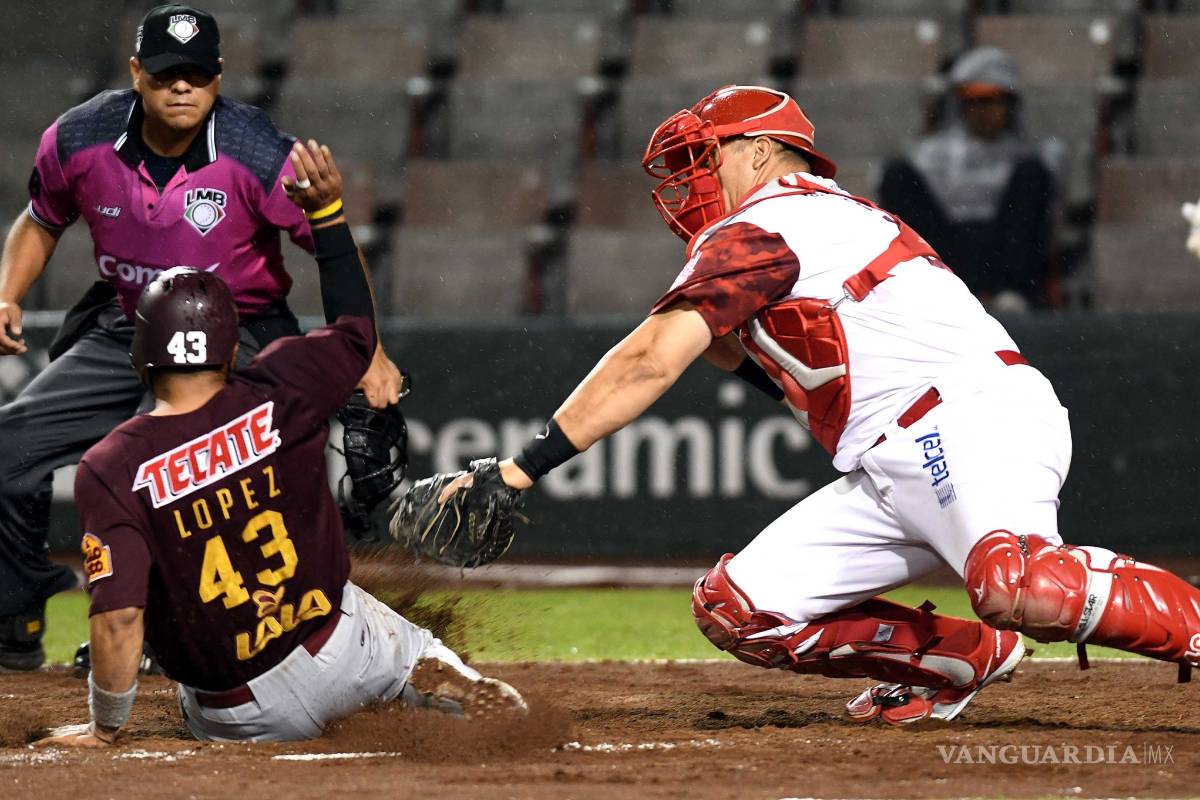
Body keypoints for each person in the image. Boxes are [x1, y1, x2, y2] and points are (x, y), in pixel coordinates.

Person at [434, 85, 1200, 725]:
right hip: (894, 463)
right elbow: (780, 359)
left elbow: (646, 359)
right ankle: (962, 657)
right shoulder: (810, 221)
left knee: (1022, 586)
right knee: (739, 607)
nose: (694, 178)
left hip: (967, 423)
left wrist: (519, 470)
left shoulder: (771, 221)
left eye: (708, 155)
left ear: (760, 152)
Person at [36, 145, 523, 746]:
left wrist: (105, 729)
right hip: (348, 649)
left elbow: (118, 617)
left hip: (240, 711)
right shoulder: (284, 382)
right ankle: (475, 699)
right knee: (417, 655)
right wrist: (329, 217)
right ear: (233, 349)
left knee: (176, 635)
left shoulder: (112, 466)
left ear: (140, 356)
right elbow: (355, 330)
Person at [0, 3, 403, 670]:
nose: (179, 87)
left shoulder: (257, 152)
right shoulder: (78, 138)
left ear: (217, 76)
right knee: (10, 447)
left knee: (159, 467)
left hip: (237, 332)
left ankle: (168, 634)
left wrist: (370, 349)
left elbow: (330, 242)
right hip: (129, 326)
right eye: (163, 75)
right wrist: (7, 294)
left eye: (194, 74)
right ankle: (12, 624)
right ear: (135, 74)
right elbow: (41, 219)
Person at [878, 47, 1056, 311]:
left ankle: (1013, 294)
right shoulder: (928, 154)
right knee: (897, 174)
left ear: (1010, 103)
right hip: (949, 255)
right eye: (972, 100)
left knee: (1032, 175)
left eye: (991, 100)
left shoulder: (1037, 153)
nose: (981, 110)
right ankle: (930, 293)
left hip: (1004, 253)